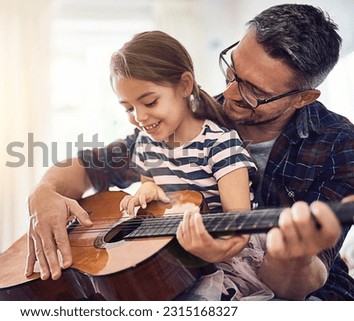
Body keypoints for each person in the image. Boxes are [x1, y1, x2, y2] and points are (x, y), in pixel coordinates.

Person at [25, 4, 354, 300]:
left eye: (254, 91)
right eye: (232, 70)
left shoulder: (340, 144)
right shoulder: (193, 116)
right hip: (191, 274)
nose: (229, 92)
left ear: (303, 98)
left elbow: (295, 285)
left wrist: (290, 256)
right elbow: (87, 166)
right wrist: (44, 193)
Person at [111, 31, 270, 300]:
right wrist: (145, 193)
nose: (139, 117)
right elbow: (152, 189)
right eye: (128, 108)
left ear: (185, 85)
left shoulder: (221, 145)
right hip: (175, 256)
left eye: (150, 102)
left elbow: (240, 226)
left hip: (226, 258)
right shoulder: (146, 145)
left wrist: (214, 251)